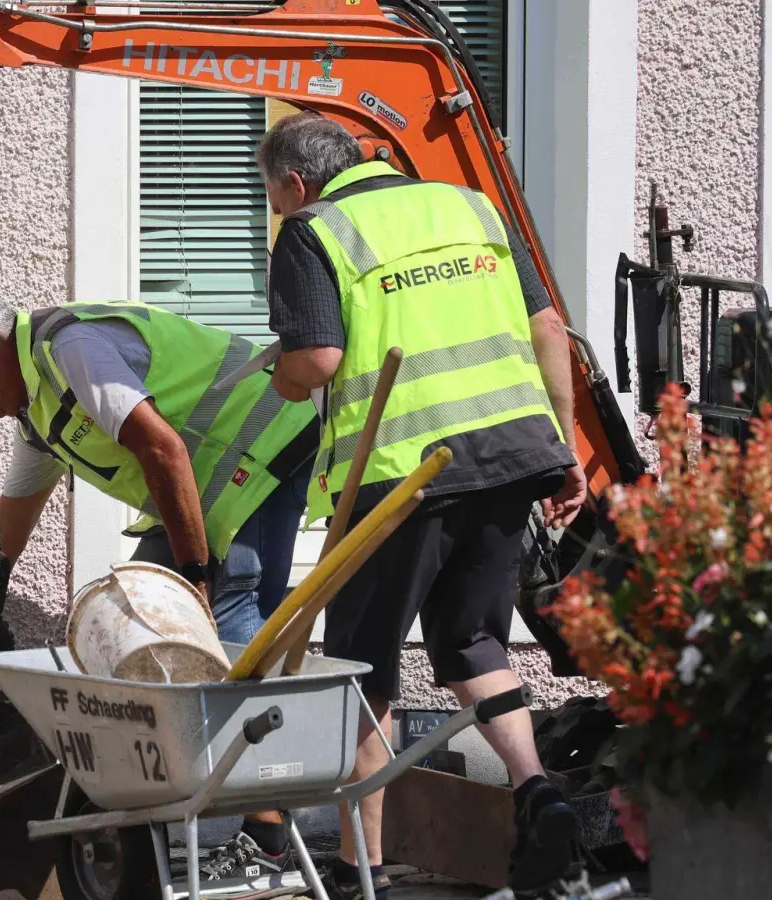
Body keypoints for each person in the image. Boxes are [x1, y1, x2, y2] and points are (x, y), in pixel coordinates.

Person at [255, 113, 589, 900]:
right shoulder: (470, 206)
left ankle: (356, 872)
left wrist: (283, 377)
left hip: (402, 476)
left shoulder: (314, 232)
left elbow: (319, 358)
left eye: (274, 197)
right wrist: (563, 443)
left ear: (298, 183)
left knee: (361, 674)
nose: (277, 210)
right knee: (473, 641)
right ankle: (536, 788)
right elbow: (547, 324)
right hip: (510, 459)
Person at [0, 296, 318, 889]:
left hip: (259, 451)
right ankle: (165, 811)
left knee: (226, 619)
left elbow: (163, 448)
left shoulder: (70, 350)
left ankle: (263, 837)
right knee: (145, 622)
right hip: (197, 488)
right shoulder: (38, 415)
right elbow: (6, 533)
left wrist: (194, 572)